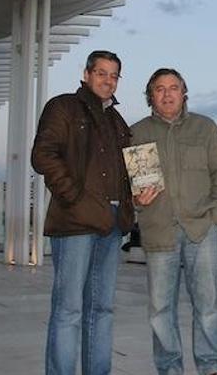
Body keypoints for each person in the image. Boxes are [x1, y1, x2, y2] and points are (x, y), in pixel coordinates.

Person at [31, 50, 135, 375]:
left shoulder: (119, 122)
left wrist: (136, 199)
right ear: (87, 74)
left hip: (112, 223)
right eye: (101, 72)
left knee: (102, 309)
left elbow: (128, 173)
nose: (108, 80)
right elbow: (43, 155)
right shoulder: (63, 106)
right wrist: (74, 197)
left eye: (114, 75)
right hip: (75, 222)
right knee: (69, 309)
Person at [132, 68, 217, 375]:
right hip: (159, 232)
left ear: (183, 93)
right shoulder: (136, 133)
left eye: (173, 88)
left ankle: (210, 368)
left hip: (200, 231)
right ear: (150, 95)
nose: (166, 94)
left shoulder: (206, 128)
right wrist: (136, 201)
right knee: (161, 312)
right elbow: (128, 184)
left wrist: (216, 216)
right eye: (159, 89)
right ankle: (169, 370)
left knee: (206, 309)